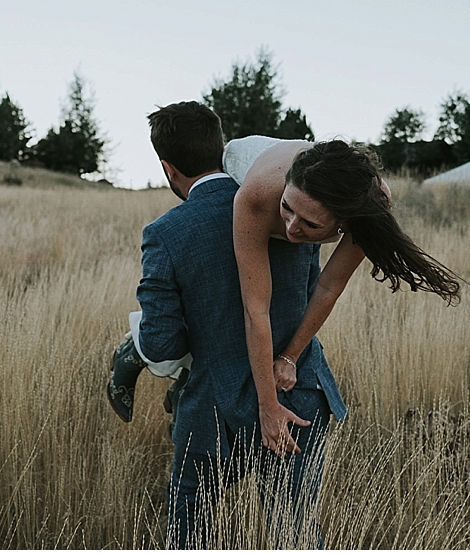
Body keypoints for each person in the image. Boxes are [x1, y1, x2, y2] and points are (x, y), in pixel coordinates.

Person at [111, 102, 345, 548]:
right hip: (297, 390)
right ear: (221, 147)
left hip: (212, 407)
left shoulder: (167, 232)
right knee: (292, 531)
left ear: (168, 167)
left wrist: (144, 339)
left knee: (190, 527)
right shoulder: (288, 206)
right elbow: (313, 291)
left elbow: (161, 343)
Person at [223, 135, 462, 456]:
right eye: (287, 209)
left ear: (346, 223)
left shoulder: (369, 208)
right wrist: (268, 406)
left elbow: (328, 286)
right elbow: (256, 311)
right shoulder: (256, 196)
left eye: (309, 223)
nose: (292, 227)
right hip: (243, 161)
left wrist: (290, 356)